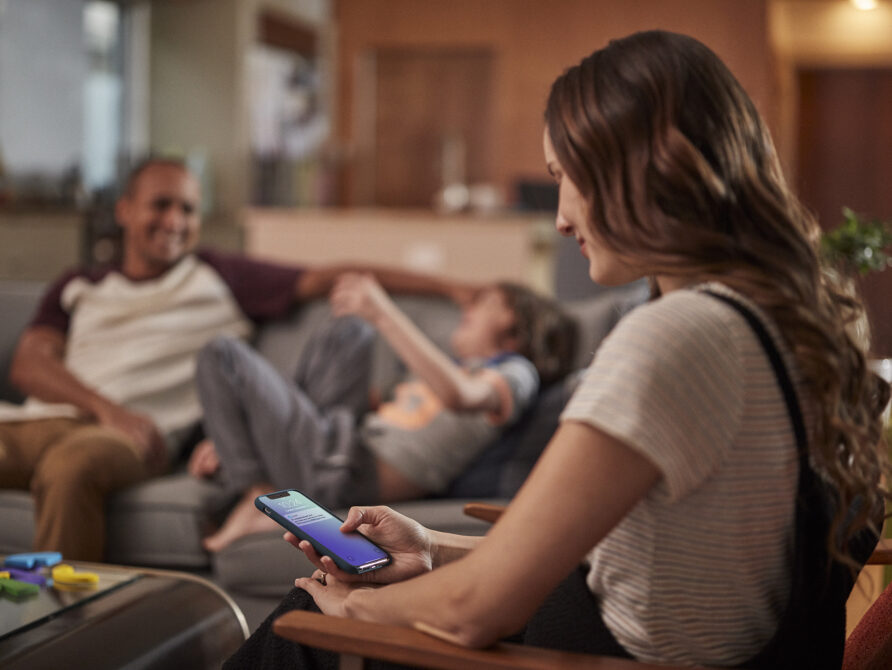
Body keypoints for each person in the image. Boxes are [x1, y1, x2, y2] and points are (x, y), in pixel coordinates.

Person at [226, 30, 891, 669]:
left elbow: (472, 613)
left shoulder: (675, 339)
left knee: (305, 619)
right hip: (605, 638)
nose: (561, 216)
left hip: (571, 657)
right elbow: (629, 562)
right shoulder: (783, 329)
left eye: (566, 174)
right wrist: (428, 546)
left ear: (644, 167)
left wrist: (355, 614)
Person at [0, 157, 479, 561]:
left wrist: (451, 287)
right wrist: (106, 407)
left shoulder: (219, 274)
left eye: (187, 209)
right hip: (41, 421)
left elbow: (337, 276)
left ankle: (59, 626)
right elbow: (29, 364)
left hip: (129, 438)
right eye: (160, 205)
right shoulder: (79, 285)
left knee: (69, 466)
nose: (174, 221)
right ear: (124, 211)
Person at [190, 272, 577, 552]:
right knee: (349, 331)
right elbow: (374, 407)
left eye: (484, 301)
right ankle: (251, 458)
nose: (468, 308)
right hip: (340, 444)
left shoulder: (515, 372)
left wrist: (383, 312)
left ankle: (256, 493)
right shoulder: (448, 368)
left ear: (514, 319)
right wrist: (246, 425)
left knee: (222, 354)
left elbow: (460, 396)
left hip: (355, 471)